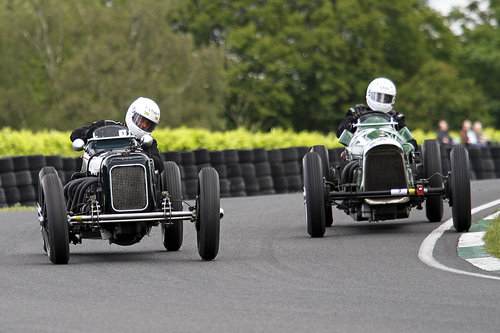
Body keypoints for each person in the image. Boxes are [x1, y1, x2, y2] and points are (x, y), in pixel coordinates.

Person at [70, 97, 164, 172]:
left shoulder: (148, 141)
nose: (144, 125)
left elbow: (159, 166)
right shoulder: (106, 125)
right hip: (101, 174)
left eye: (148, 124)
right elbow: (74, 135)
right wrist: (89, 133)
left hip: (136, 179)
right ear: (132, 114)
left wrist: (144, 154)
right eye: (142, 120)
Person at [336, 77, 418, 150]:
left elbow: (411, 142)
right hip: (361, 150)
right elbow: (340, 134)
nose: (381, 101)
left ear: (392, 99)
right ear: (369, 94)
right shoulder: (356, 113)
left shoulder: (396, 119)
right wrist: (352, 120)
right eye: (378, 97)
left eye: (386, 98)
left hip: (390, 150)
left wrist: (407, 148)